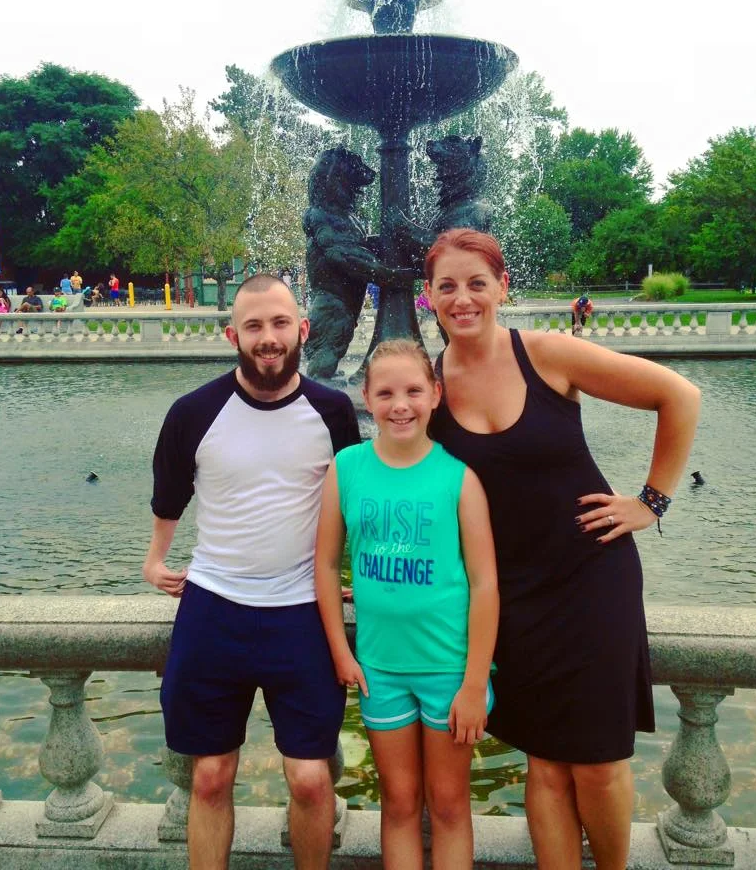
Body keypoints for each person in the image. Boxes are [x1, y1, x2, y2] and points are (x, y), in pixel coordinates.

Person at [423, 228, 700, 870]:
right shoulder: (430, 386)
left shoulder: (546, 354)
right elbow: (411, 486)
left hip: (590, 577)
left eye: (477, 283)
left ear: (502, 288)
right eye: (447, 286)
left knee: (599, 764)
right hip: (511, 595)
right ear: (428, 297)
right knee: (545, 763)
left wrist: (650, 502)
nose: (463, 299)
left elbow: (679, 396)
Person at [143, 274, 360, 870]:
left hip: (302, 615)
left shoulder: (333, 410)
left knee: (311, 779)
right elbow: (169, 495)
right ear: (232, 334)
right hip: (214, 609)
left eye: (280, 323)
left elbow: (353, 502)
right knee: (210, 775)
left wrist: (351, 574)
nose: (269, 338)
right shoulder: (193, 412)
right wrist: (155, 559)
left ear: (302, 330)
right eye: (255, 326)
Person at [315, 339, 498, 870]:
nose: (401, 405)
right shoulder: (347, 468)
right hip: (380, 668)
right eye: (386, 393)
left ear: (435, 395)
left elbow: (485, 584)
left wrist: (474, 683)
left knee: (449, 804)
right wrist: (341, 652)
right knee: (397, 803)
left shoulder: (458, 478)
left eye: (414, 391)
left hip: (449, 669)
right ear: (366, 397)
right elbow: (325, 565)